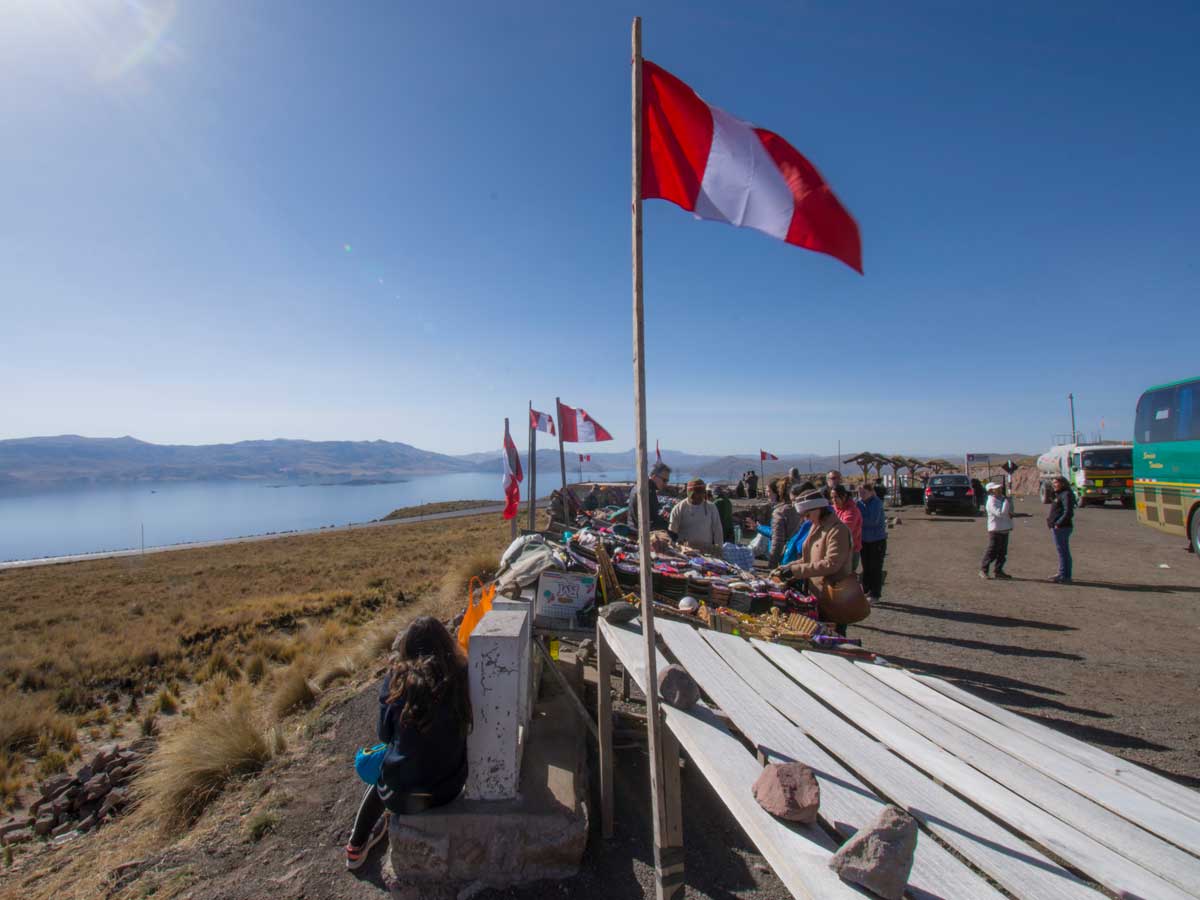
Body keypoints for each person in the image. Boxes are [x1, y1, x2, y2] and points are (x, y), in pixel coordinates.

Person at [345, 617, 472, 870]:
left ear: (407, 647)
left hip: (403, 796)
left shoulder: (396, 680)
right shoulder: (461, 675)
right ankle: (381, 821)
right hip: (451, 787)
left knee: (382, 764)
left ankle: (356, 847)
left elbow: (384, 734)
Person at [774, 494, 869, 634]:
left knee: (835, 636)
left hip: (834, 596)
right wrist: (787, 567)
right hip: (817, 594)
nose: (805, 519)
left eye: (807, 514)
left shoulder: (837, 530)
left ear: (818, 509)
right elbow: (809, 559)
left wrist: (795, 571)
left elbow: (832, 564)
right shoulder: (816, 526)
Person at [668, 478, 724, 551]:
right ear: (689, 493)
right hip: (685, 551)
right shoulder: (679, 508)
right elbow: (672, 532)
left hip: (707, 551)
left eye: (701, 494)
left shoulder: (711, 507)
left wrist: (719, 549)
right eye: (695, 495)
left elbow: (718, 531)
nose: (698, 497)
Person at [857, 483, 887, 602]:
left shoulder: (876, 503)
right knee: (866, 566)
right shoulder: (859, 503)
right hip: (864, 540)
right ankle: (865, 590)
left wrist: (858, 520)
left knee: (876, 567)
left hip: (877, 540)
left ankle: (875, 593)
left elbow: (872, 521)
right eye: (859, 493)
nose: (861, 495)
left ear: (870, 492)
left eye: (863, 492)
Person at [979, 482, 1013, 580]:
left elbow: (1008, 513)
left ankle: (998, 571)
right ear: (991, 491)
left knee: (1002, 552)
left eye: (999, 488)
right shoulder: (991, 502)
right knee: (992, 551)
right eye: (996, 489)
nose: (999, 490)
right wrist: (1006, 503)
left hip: (1004, 528)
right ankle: (983, 570)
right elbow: (1000, 513)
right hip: (995, 529)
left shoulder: (1002, 499)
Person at [768, 483, 805, 568]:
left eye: (795, 500)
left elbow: (777, 540)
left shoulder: (781, 513)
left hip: (791, 559)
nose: (793, 504)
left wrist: (772, 563)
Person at [1047, 475, 1075, 583]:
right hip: (1058, 527)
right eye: (1053, 483)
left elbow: (1068, 512)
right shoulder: (1059, 494)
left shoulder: (1066, 494)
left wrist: (1058, 523)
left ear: (1062, 483)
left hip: (1062, 527)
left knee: (1063, 552)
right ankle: (1063, 573)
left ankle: (1064, 575)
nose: (1054, 485)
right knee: (1062, 551)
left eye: (1056, 483)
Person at [629, 462, 671, 531]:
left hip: (635, 527)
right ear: (654, 477)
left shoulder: (647, 487)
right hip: (640, 532)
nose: (666, 484)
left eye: (667, 481)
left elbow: (652, 513)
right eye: (664, 480)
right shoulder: (645, 491)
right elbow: (647, 521)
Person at [832, 485, 863, 572]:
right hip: (837, 549)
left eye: (836, 497)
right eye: (832, 497)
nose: (834, 500)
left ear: (844, 496)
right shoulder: (834, 509)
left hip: (850, 551)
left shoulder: (852, 511)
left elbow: (844, 530)